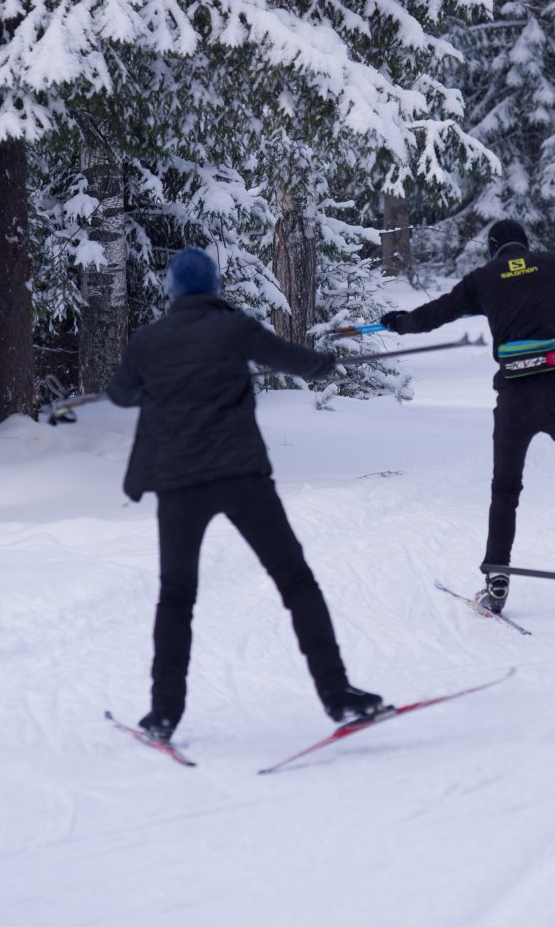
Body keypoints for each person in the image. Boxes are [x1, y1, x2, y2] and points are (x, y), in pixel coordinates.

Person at [106, 247, 383, 744]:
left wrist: (157, 382)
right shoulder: (233, 328)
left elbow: (120, 395)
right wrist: (326, 365)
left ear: (172, 290)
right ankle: (338, 696)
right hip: (241, 476)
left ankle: (163, 715)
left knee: (176, 597)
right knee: (295, 581)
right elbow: (297, 362)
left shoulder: (146, 342)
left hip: (178, 486)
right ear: (213, 288)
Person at [379, 219, 555, 616]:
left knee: (505, 490)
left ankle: (497, 577)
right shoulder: (553, 265)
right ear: (525, 243)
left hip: (513, 399)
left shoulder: (482, 280)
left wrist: (397, 322)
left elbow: (432, 315)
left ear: (493, 249)